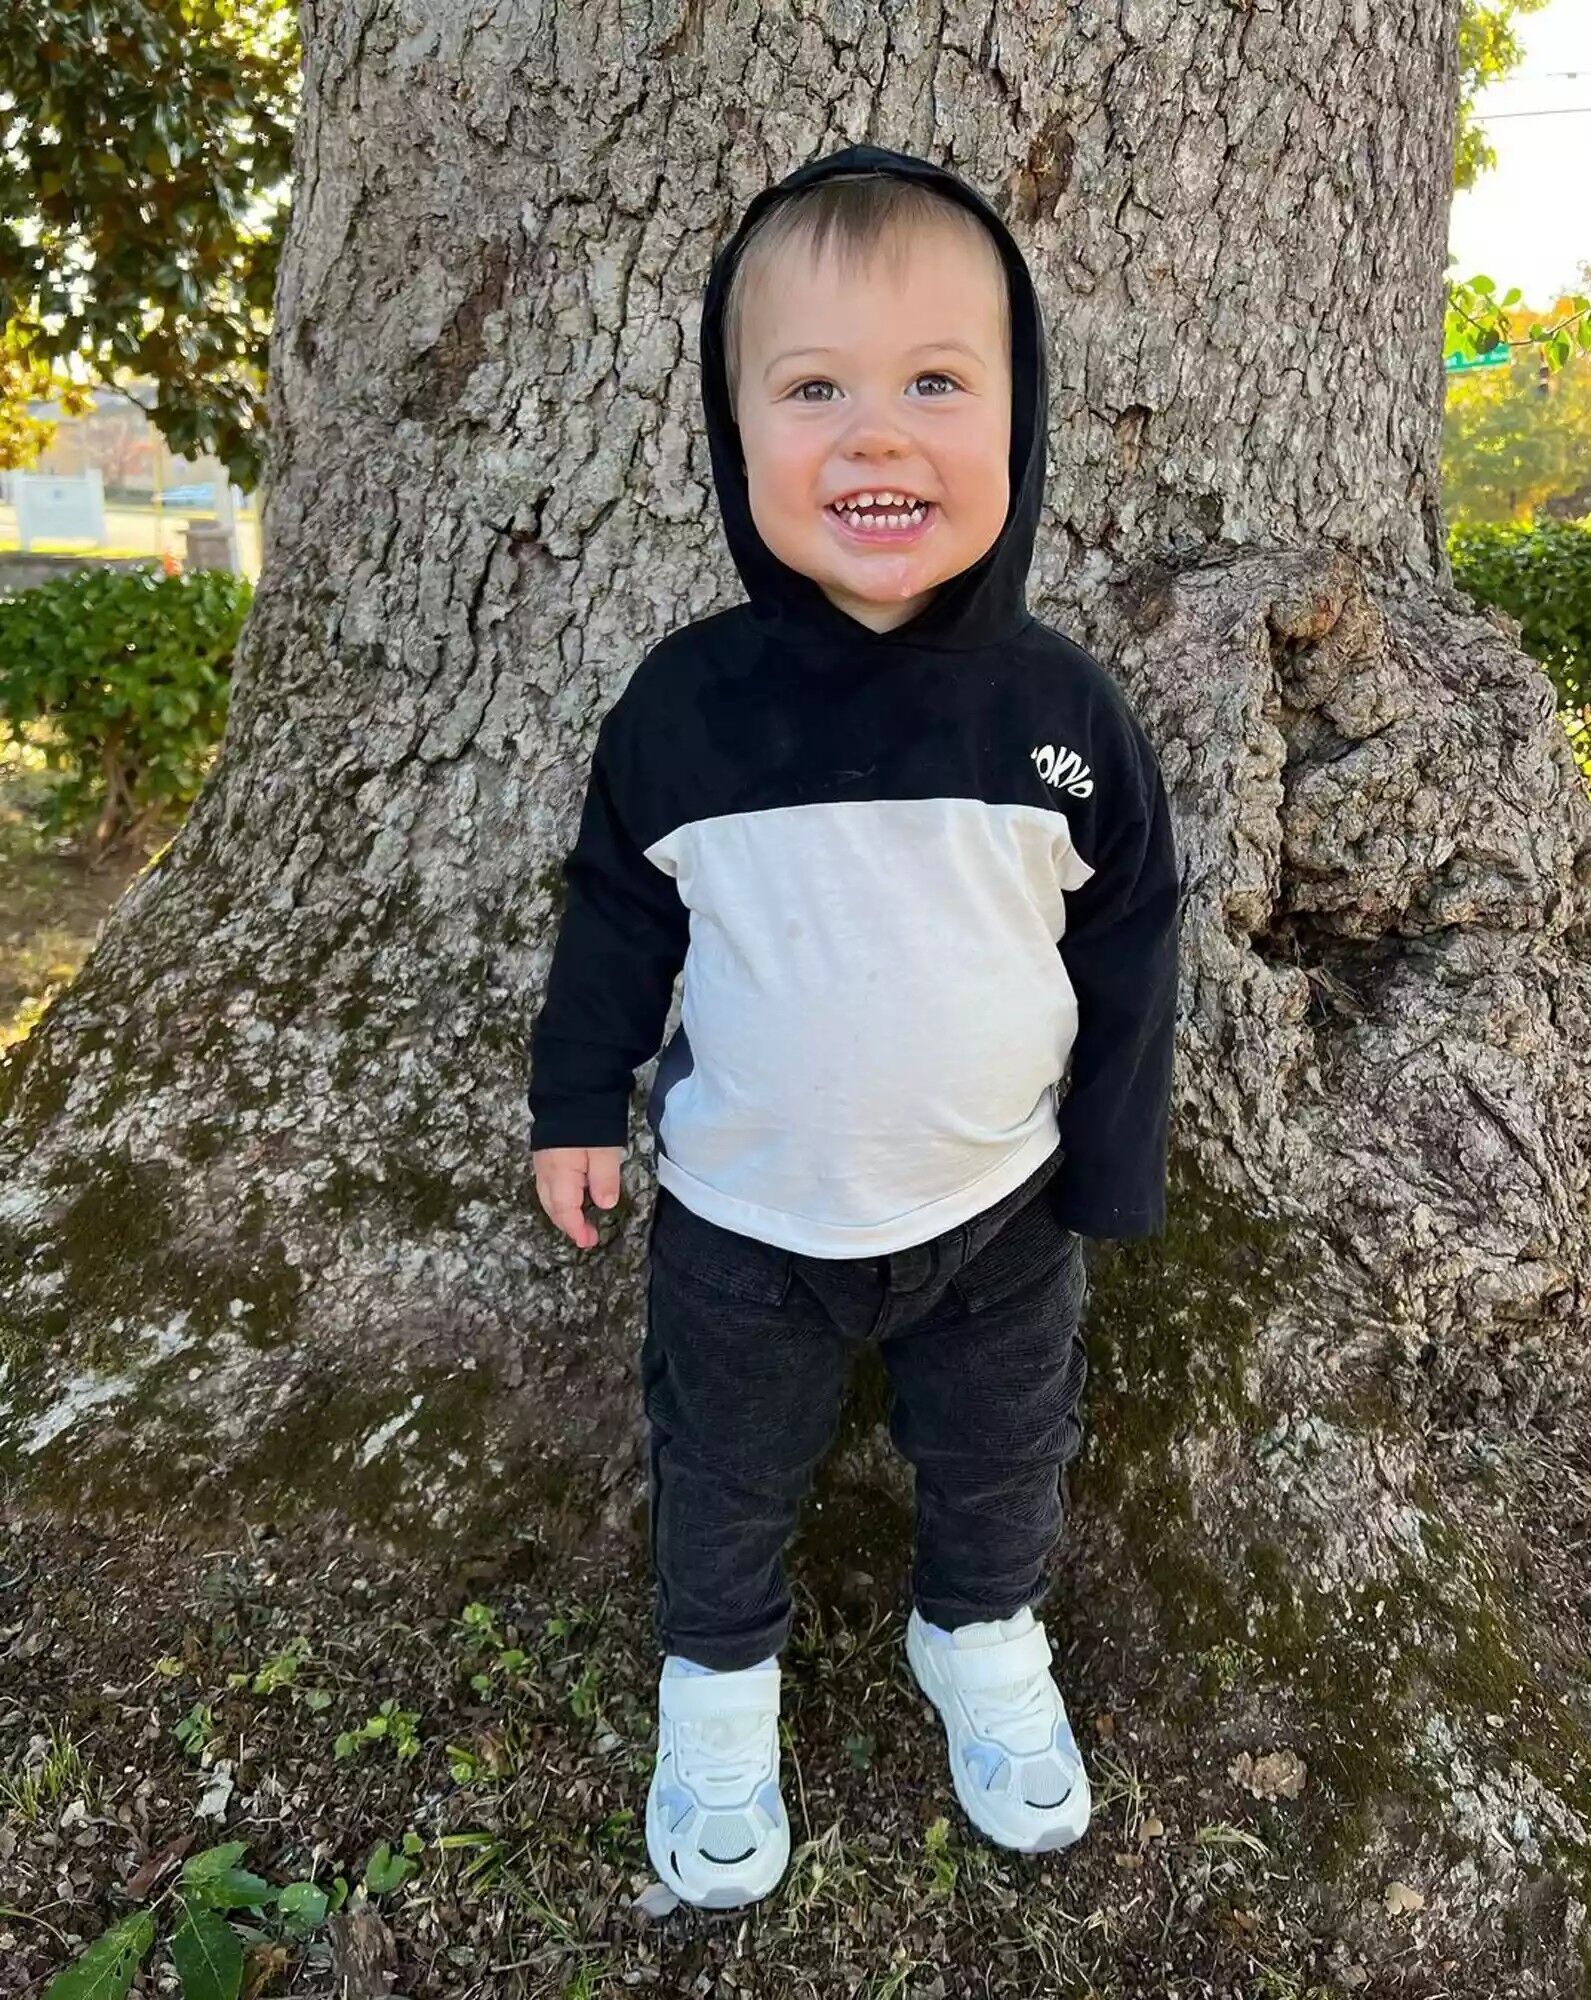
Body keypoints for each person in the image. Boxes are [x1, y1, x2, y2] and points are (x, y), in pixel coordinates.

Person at [527, 141, 1181, 1911]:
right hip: (745, 1220)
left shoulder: (1065, 715)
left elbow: (1132, 943)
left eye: (934, 384)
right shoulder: (684, 712)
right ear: (739, 441)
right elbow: (615, 918)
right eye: (813, 388)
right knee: (725, 1470)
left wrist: (1111, 1166)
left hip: (1001, 1218)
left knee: (1003, 1457)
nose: (875, 435)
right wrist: (576, 1101)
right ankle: (719, 1689)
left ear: (1016, 426)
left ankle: (978, 1641)